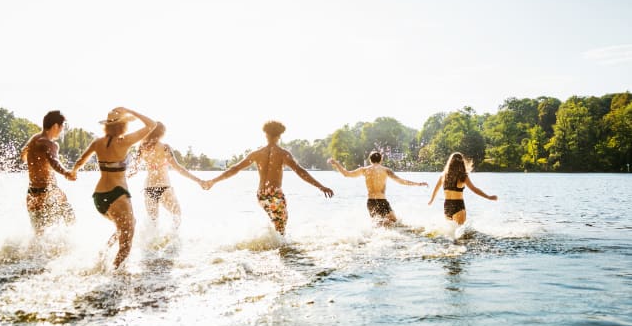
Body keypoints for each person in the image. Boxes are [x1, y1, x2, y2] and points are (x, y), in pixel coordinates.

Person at [201, 120, 334, 235]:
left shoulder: (257, 153)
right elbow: (300, 171)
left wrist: (213, 181)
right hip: (275, 193)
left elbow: (234, 169)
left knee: (275, 223)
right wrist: (320, 186)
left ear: (265, 134)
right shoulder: (283, 154)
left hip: (261, 195)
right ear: (280, 136)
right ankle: (280, 253)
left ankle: (269, 247)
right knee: (281, 227)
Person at [71, 107, 157, 268]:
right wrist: (132, 111)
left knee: (126, 225)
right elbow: (152, 124)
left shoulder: (97, 142)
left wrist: (73, 172)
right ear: (122, 126)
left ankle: (102, 255)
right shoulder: (125, 141)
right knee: (126, 243)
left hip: (98, 197)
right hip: (118, 195)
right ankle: (115, 278)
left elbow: (80, 162)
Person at [130, 121, 204, 228]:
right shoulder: (165, 147)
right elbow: (179, 168)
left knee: (153, 222)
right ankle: (173, 239)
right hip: (163, 187)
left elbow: (133, 169)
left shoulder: (142, 147)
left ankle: (152, 243)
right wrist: (199, 180)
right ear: (161, 133)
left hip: (148, 188)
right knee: (177, 213)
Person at [328, 151, 428, 225]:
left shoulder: (364, 170)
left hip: (370, 202)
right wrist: (418, 184)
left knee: (377, 225)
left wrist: (336, 163)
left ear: (370, 160)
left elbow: (346, 174)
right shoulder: (386, 170)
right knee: (393, 222)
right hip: (382, 201)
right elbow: (401, 181)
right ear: (381, 160)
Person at [20, 110, 77, 234]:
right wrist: (66, 172)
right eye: (62, 127)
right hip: (48, 192)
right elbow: (54, 161)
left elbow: (23, 154)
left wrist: (33, 162)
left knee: (39, 235)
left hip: (32, 194)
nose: (62, 131)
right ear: (56, 126)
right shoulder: (50, 144)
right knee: (71, 221)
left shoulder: (34, 139)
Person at [427, 151, 498, 225]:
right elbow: (474, 189)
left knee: (450, 232)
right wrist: (488, 197)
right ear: (461, 163)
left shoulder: (444, 176)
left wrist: (431, 200)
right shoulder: (463, 177)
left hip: (447, 206)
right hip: (458, 206)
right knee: (460, 232)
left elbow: (436, 189)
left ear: (450, 162)